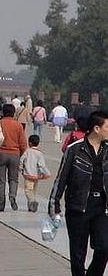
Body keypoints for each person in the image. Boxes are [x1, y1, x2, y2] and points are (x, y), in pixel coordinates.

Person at [49, 110, 108, 276]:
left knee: (104, 248)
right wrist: (54, 205)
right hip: (79, 207)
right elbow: (61, 178)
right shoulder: (74, 150)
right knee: (78, 254)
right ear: (97, 128)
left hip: (102, 208)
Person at [0, 104, 27, 211]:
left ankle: (1, 203)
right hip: (15, 154)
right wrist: (19, 154)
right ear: (13, 113)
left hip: (1, 154)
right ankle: (12, 196)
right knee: (13, 179)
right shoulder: (18, 125)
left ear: (2, 112)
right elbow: (23, 144)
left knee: (0, 180)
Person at [19, 135, 51, 212]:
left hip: (28, 175)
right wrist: (46, 173)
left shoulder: (27, 152)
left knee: (28, 190)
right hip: (36, 176)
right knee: (33, 191)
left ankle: (32, 202)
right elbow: (42, 165)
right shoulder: (40, 153)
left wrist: (21, 169)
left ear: (29, 143)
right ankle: (30, 206)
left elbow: (21, 160)